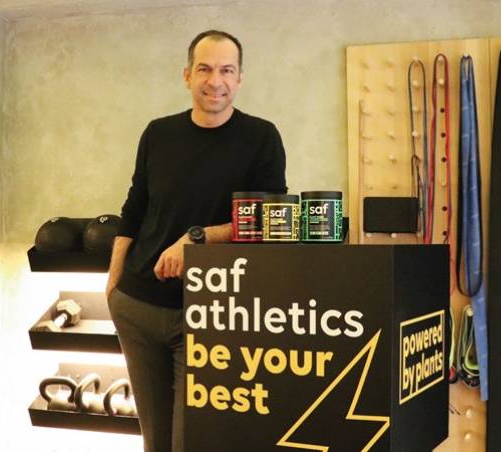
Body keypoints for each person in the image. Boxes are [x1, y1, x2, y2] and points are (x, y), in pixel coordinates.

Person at [106, 29, 287, 452]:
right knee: (155, 441)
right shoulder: (158, 133)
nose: (215, 80)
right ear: (187, 75)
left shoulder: (261, 137)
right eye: (204, 69)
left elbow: (270, 220)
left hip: (209, 313)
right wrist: (113, 285)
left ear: (239, 78)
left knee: (192, 443)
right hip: (138, 307)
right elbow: (134, 208)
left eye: (226, 70)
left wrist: (199, 238)